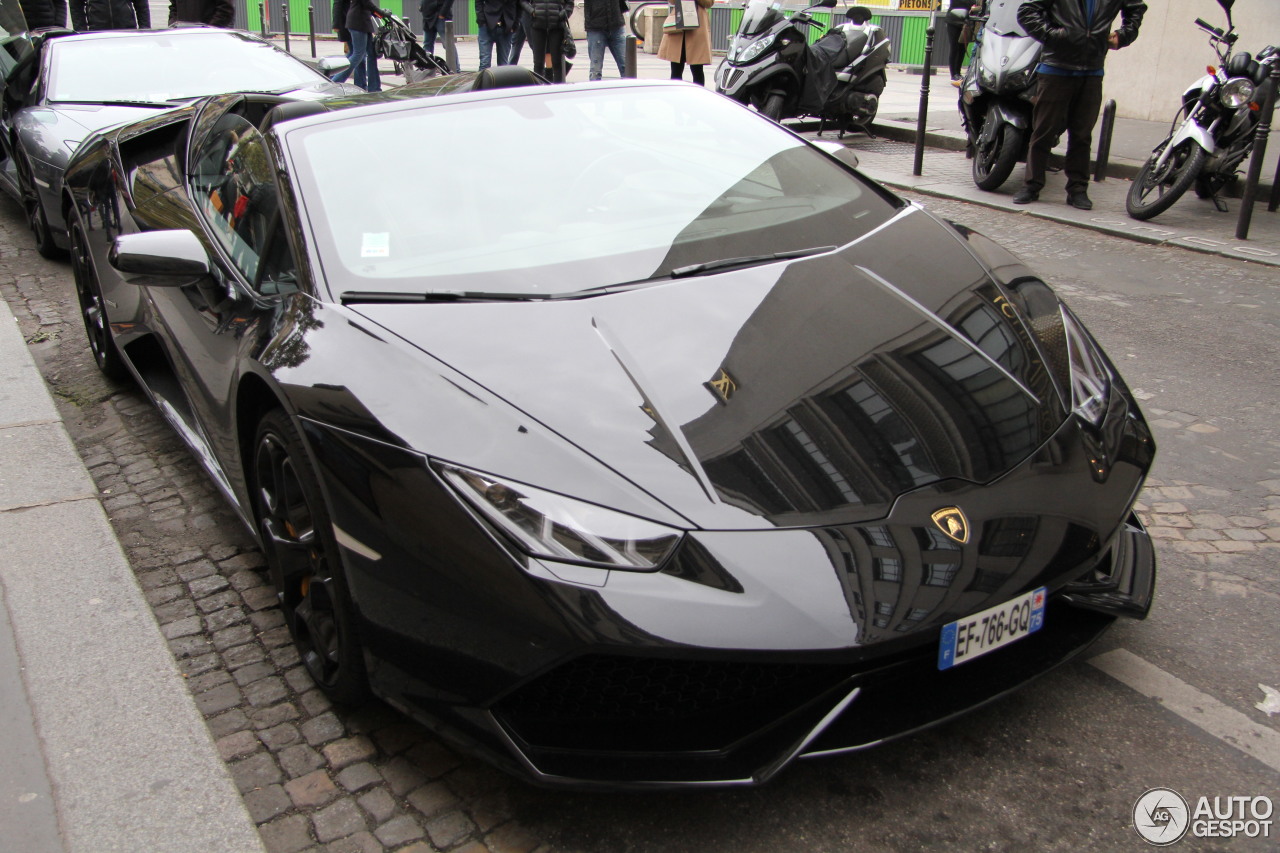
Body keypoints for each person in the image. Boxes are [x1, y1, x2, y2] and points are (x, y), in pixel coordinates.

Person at [1012, 0, 1145, 210]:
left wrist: (1124, 35)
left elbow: (1136, 8)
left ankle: (1078, 189)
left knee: (1082, 135)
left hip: (1092, 70)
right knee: (1044, 131)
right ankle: (1031, 185)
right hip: (1056, 67)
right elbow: (1027, 11)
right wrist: (1054, 36)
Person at [657, 0, 713, 86]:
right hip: (679, 29)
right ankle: (676, 95)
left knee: (697, 69)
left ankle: (698, 96)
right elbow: (672, 1)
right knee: (676, 69)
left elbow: (709, 3)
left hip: (697, 30)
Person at [521, 0, 572, 82]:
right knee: (538, 63)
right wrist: (531, 11)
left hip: (556, 25)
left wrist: (564, 13)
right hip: (537, 24)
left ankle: (558, 90)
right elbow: (523, 2)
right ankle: (539, 90)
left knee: (557, 62)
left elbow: (570, 3)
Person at [339, 0, 385, 91]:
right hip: (357, 24)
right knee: (358, 54)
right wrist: (382, 13)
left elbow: (368, 7)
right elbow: (367, 3)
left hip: (364, 23)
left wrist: (380, 14)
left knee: (372, 54)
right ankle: (336, 80)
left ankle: (374, 88)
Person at [584, 0, 626, 81]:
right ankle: (595, 91)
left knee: (626, 67)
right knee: (595, 70)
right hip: (596, 25)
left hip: (616, 23)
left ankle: (630, 91)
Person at [476, 0, 518, 71]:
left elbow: (519, 5)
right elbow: (478, 1)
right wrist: (481, 21)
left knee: (503, 66)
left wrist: (515, 24)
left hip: (506, 26)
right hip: (487, 24)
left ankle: (502, 82)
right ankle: (484, 82)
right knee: (484, 63)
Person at [69, 0, 148, 29]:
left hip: (126, 31)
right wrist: (81, 32)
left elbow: (142, 4)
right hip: (97, 32)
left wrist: (145, 29)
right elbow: (75, 6)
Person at [167, 0, 233, 26]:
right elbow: (174, 7)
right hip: (184, 38)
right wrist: (173, 25)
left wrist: (208, 31)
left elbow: (225, 9)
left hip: (211, 39)